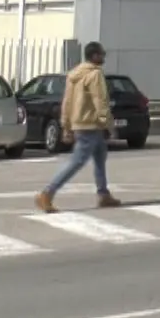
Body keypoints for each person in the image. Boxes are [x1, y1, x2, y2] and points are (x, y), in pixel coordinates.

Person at [34, 42, 122, 212]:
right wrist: (109, 124)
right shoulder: (95, 74)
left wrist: (66, 125)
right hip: (91, 124)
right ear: (95, 56)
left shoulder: (74, 74)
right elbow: (100, 101)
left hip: (80, 124)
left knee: (100, 157)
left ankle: (103, 194)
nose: (104, 57)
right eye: (102, 54)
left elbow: (67, 102)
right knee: (76, 162)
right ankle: (47, 193)